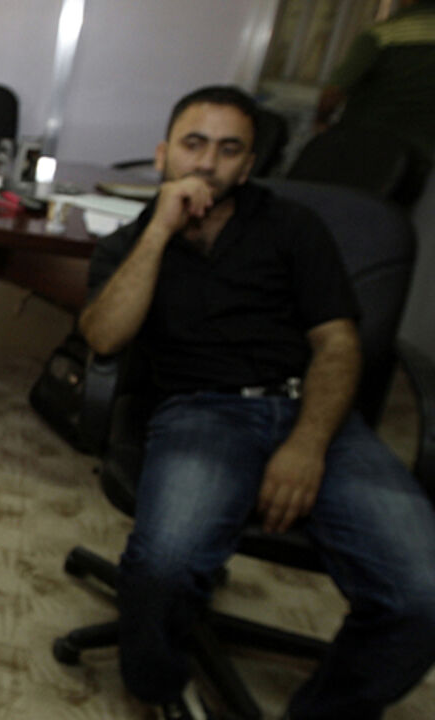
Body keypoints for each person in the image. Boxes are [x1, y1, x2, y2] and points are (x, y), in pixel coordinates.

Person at [82, 85, 435, 720]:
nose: (207, 164)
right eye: (193, 145)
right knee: (161, 569)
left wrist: (306, 444)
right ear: (163, 153)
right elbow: (104, 336)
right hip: (199, 415)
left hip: (312, 414)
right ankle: (162, 689)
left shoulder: (291, 227)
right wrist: (159, 231)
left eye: (228, 150)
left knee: (423, 593)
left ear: (248, 166)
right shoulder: (132, 244)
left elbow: (336, 344)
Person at [315, 0, 435, 197]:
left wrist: (321, 122)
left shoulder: (382, 34)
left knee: (342, 209)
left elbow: (334, 92)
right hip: (421, 157)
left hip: (367, 148)